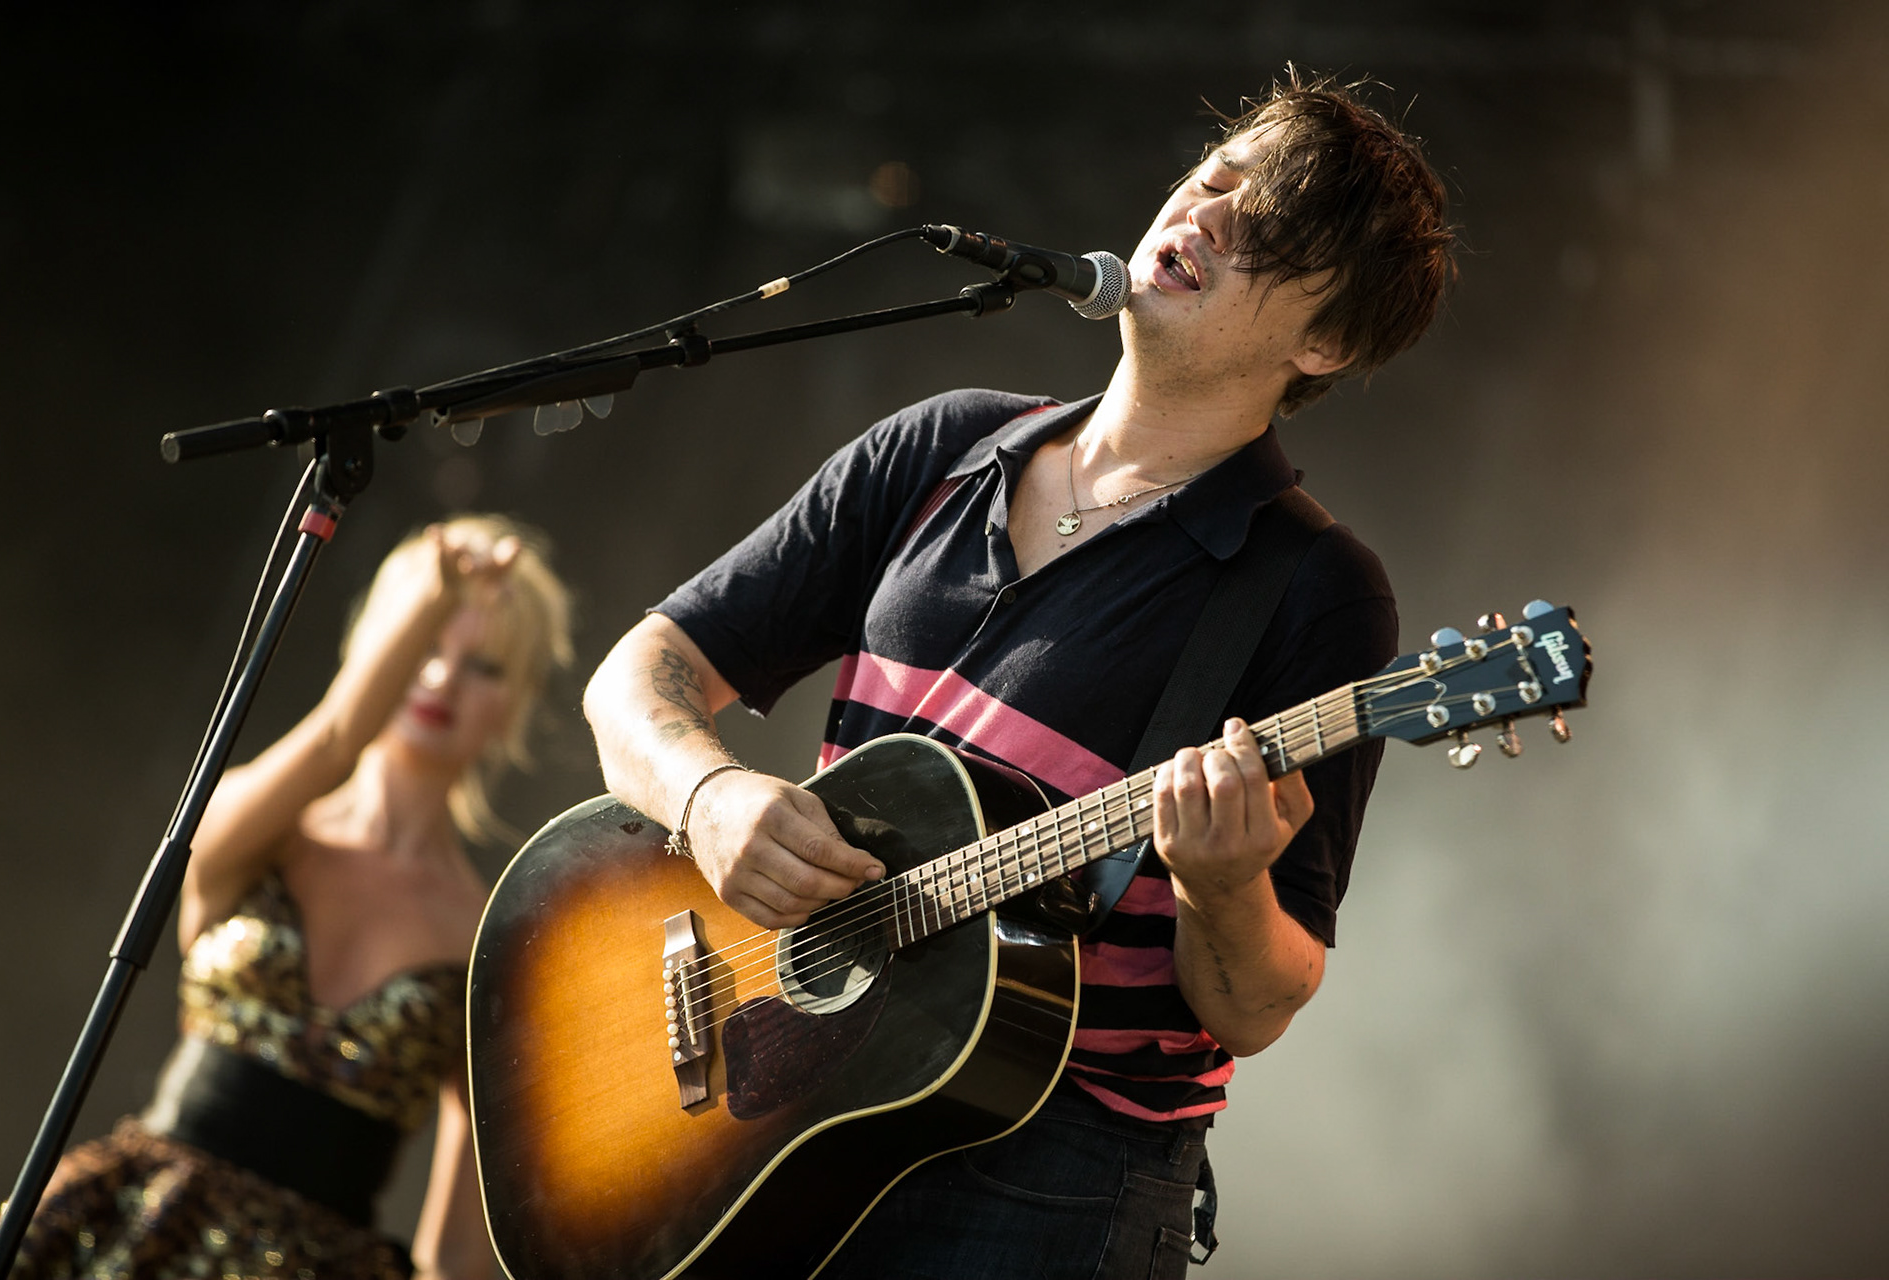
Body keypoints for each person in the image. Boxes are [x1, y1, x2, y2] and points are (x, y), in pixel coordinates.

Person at [582, 68, 1455, 1279]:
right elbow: (641, 674)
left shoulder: (1313, 587)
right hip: (798, 1105)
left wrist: (1220, 884)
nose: (1204, 214)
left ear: (1325, 339)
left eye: (1265, 230)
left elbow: (1256, 999)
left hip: (1049, 1177)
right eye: (1210, 179)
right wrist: (709, 797)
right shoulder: (942, 446)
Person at [0, 514, 574, 1280]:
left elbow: (456, 1251)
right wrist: (424, 595)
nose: (439, 679)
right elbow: (332, 738)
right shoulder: (258, 827)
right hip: (134, 1236)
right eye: (422, 643)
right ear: (371, 651)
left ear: (514, 706)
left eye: (482, 665)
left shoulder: (493, 937)